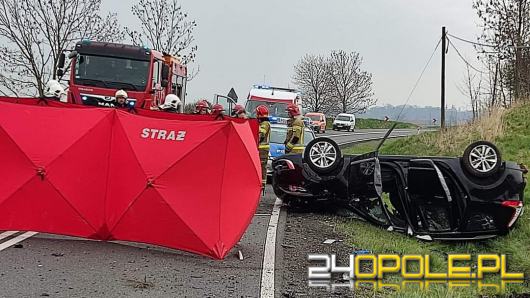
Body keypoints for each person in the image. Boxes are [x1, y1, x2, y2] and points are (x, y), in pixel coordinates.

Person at [256, 105, 271, 188]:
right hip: (261, 149)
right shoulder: (262, 122)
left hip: (262, 149)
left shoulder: (265, 123)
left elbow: (261, 135)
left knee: (262, 166)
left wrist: (255, 142)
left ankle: (262, 184)